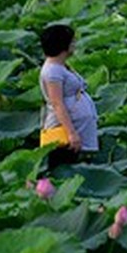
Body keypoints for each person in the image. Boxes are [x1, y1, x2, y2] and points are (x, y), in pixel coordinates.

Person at [38, 24, 98, 167]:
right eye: (72, 42)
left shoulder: (60, 66)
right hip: (64, 132)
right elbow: (57, 103)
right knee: (64, 171)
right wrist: (71, 133)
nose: (75, 45)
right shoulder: (53, 71)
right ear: (63, 44)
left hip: (76, 128)